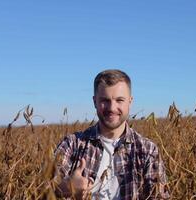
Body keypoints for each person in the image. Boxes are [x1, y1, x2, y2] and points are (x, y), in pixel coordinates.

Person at [53, 69, 170, 199]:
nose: (112, 108)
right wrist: (67, 187)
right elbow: (43, 186)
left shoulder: (148, 150)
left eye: (119, 100)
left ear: (130, 102)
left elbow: (160, 196)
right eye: (105, 100)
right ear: (94, 101)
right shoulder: (73, 144)